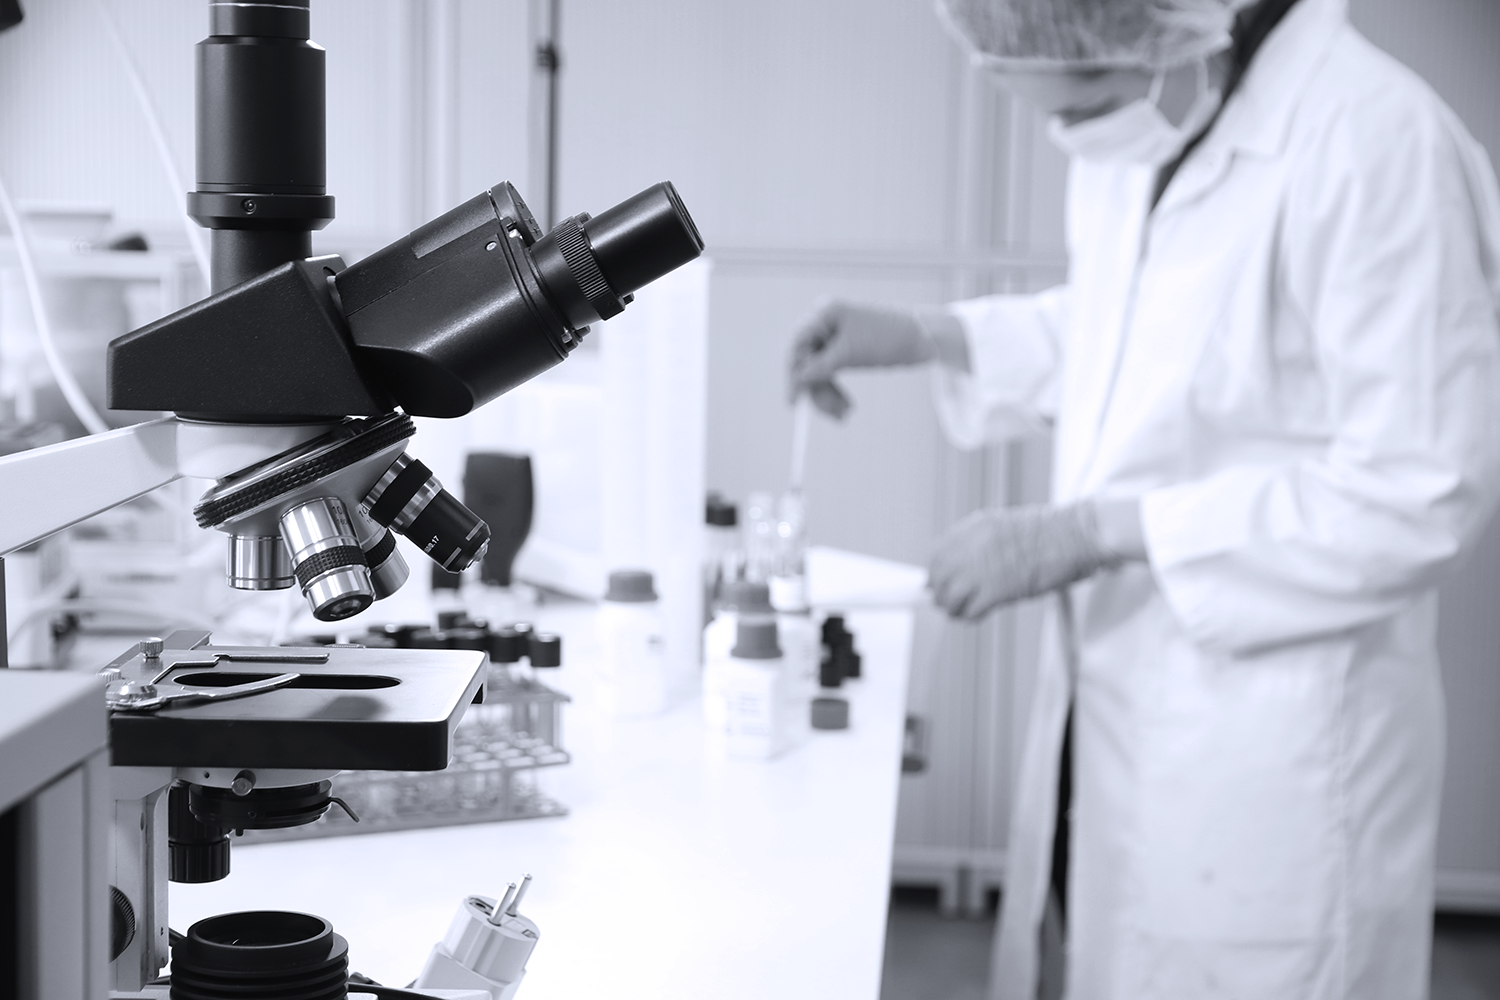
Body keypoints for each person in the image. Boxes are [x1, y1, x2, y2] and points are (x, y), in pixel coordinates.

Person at [788, 0, 1500, 997]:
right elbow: (1142, 340)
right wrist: (927, 334)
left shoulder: (1375, 145)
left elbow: (1419, 492)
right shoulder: (1167, 109)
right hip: (1126, 712)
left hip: (1276, 752)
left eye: (1083, 96)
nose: (1069, 131)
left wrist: (1093, 532)